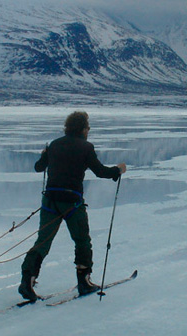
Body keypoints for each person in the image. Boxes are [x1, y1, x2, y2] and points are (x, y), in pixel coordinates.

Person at [19, 111, 127, 301]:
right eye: (88, 127)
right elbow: (101, 172)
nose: (88, 130)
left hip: (50, 201)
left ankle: (27, 281)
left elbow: (38, 167)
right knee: (82, 240)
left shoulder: (54, 144)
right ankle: (84, 282)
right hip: (72, 203)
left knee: (43, 242)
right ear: (83, 128)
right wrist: (118, 170)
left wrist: (45, 154)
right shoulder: (86, 147)